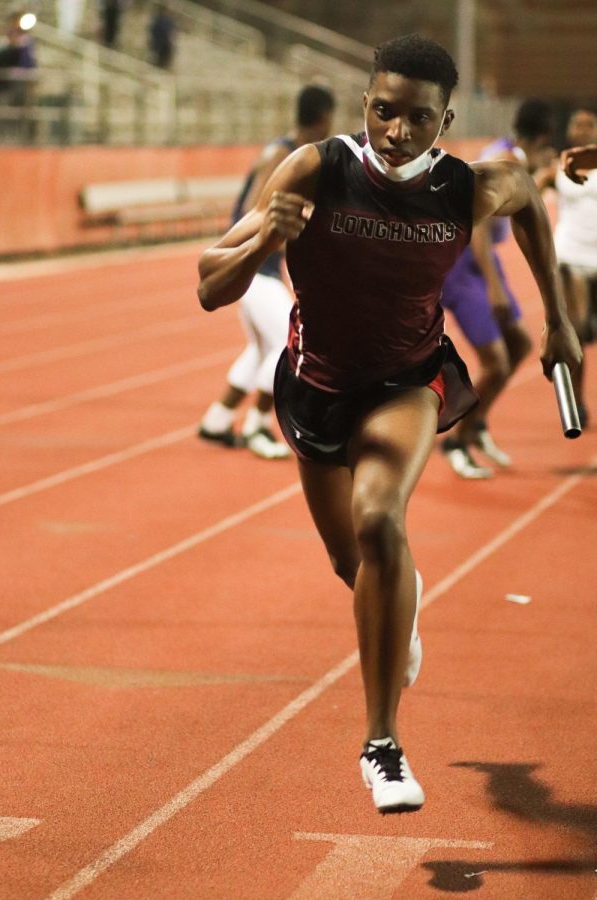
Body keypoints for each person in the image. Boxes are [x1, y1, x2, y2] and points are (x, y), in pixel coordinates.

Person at [197, 35, 581, 814]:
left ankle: (382, 743)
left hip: (410, 379)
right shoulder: (316, 168)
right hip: (314, 386)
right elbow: (210, 285)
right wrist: (268, 239)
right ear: (365, 104)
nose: (396, 131)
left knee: (380, 521)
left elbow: (530, 202)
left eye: (416, 118)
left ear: (445, 120)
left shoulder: (468, 185)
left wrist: (560, 322)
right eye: (382, 111)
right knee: (355, 567)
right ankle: (396, 607)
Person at [198, 85, 335, 460]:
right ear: (325, 118)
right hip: (254, 269)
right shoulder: (281, 155)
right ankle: (258, 425)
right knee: (288, 345)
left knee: (260, 348)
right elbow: (253, 213)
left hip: (265, 269)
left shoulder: (294, 155)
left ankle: (217, 419)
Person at [439, 99, 555, 478]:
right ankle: (455, 441)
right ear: (539, 140)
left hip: (484, 264)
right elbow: (480, 232)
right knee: (496, 363)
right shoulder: (505, 161)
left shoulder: (509, 154)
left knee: (521, 344)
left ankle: (478, 424)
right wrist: (495, 289)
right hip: (464, 268)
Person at [539, 108, 597, 426]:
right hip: (571, 257)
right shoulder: (557, 168)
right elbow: (529, 195)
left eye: (590, 124)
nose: (584, 129)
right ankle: (578, 400)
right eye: (578, 124)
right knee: (577, 330)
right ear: (571, 131)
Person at [148, 3, 176, 70]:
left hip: (165, 44)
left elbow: (173, 32)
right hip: (158, 42)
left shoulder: (171, 21)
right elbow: (153, 30)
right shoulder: (158, 19)